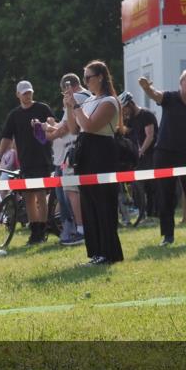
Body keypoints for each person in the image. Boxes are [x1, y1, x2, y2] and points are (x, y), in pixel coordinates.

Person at [61, 61, 124, 265]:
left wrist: (77, 105)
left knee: (103, 204)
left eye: (89, 77)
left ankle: (109, 253)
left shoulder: (109, 101)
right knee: (89, 205)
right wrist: (70, 106)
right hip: (86, 153)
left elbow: (89, 125)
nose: (86, 81)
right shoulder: (89, 101)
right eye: (85, 77)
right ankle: (96, 252)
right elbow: (74, 129)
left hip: (102, 153)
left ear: (100, 77)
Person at [138, 70, 186, 245]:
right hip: (165, 153)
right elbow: (155, 95)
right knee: (165, 194)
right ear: (181, 83)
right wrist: (147, 88)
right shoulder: (170, 98)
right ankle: (167, 236)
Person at [0, 80, 54, 245]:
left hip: (43, 159)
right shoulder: (14, 115)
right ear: (18, 95)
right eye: (24, 93)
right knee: (28, 197)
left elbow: (53, 126)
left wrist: (47, 125)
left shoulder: (42, 108)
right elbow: (6, 137)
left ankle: (42, 230)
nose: (27, 96)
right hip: (25, 162)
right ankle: (35, 230)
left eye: (29, 92)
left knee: (41, 196)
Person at [45, 74, 89, 246]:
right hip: (82, 149)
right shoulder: (90, 97)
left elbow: (66, 128)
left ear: (67, 88)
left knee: (70, 193)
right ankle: (77, 228)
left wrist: (47, 129)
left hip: (71, 152)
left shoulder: (75, 98)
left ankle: (78, 230)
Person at [119, 91, 158, 224]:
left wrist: (141, 150)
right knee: (138, 185)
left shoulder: (146, 115)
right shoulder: (131, 118)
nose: (124, 112)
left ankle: (152, 215)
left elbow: (150, 135)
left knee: (150, 186)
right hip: (140, 156)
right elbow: (126, 131)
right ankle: (143, 213)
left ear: (130, 104)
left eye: (124, 109)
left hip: (151, 154)